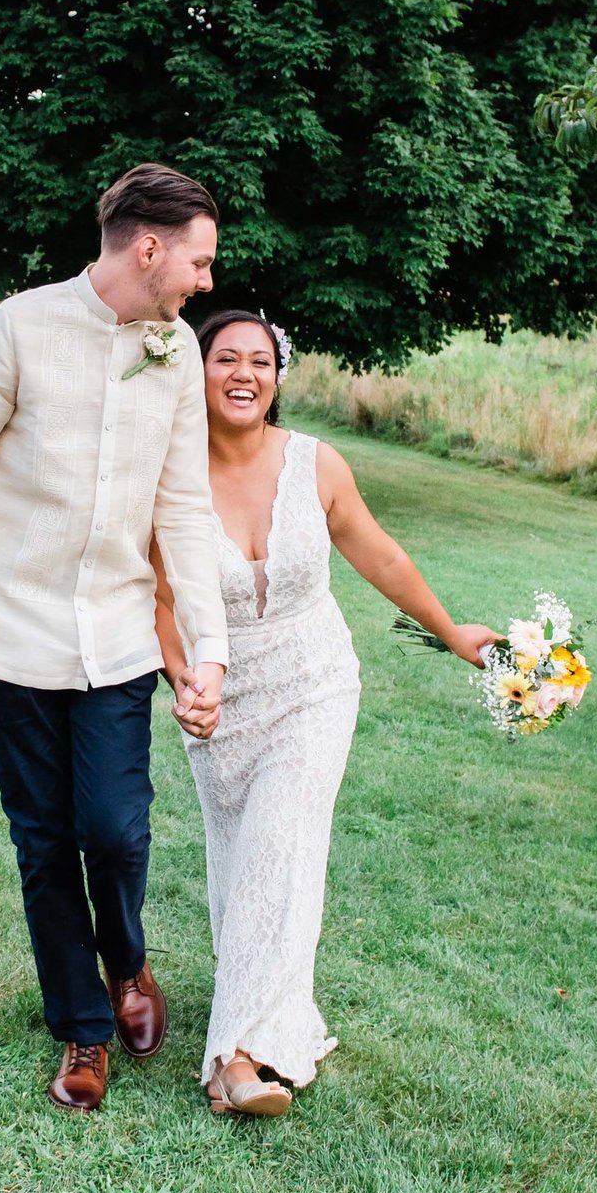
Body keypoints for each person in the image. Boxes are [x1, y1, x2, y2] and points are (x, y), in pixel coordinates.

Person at [0, 163, 228, 1114]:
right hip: (10, 638)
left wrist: (206, 651)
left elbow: (183, 507)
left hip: (121, 639)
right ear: (149, 247)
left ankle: (128, 961)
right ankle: (84, 1024)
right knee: (46, 842)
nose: (206, 282)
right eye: (200, 261)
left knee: (114, 830)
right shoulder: (16, 329)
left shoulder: (175, 354)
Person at [152, 312, 500, 1119]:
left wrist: (452, 633)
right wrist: (184, 681)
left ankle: (234, 1058)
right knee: (245, 865)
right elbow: (160, 598)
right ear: (196, 370)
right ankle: (282, 1017)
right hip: (221, 694)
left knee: (282, 839)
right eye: (225, 358)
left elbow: (378, 552)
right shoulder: (165, 476)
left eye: (260, 360)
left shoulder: (317, 464)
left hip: (315, 682)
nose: (245, 372)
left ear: (278, 375)